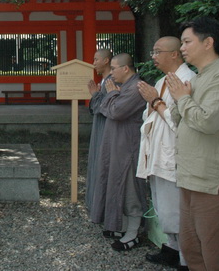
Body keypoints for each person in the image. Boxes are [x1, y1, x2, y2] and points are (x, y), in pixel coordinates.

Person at [166, 17, 219, 270]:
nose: (182, 48)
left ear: (208, 42)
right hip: (190, 177)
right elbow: (179, 119)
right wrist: (181, 98)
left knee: (215, 252)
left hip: (210, 181)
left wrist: (182, 98)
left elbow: (208, 122)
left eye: (187, 41)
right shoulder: (199, 77)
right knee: (191, 249)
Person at [136, 37, 195, 270]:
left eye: (158, 52)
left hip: (175, 154)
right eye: (153, 51)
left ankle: (187, 260)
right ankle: (171, 249)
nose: (154, 57)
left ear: (174, 54)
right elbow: (148, 116)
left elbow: (181, 122)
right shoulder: (161, 80)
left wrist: (156, 101)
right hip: (157, 152)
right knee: (162, 207)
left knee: (176, 210)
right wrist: (153, 102)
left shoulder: (189, 80)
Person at [90, 53, 147, 251]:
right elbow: (107, 110)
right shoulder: (124, 86)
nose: (111, 73)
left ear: (125, 68)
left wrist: (112, 94)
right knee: (116, 184)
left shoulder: (136, 88)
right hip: (116, 145)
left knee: (129, 188)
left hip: (127, 147)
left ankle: (134, 232)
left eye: (114, 68)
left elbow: (115, 112)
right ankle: (120, 226)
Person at [85, 49, 112, 211]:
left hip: (105, 128)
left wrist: (95, 94)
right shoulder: (104, 81)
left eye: (96, 60)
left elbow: (104, 107)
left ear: (106, 60)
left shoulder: (110, 82)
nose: (93, 63)